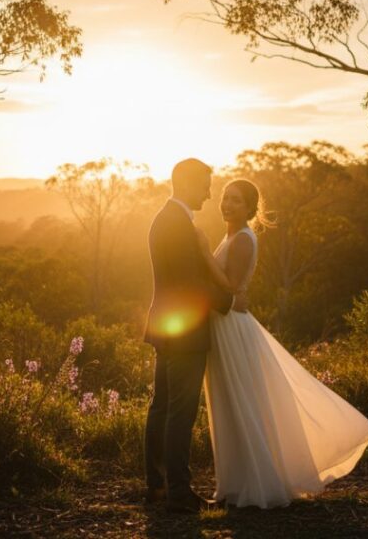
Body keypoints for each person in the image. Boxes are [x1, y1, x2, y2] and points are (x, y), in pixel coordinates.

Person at [194, 178, 368, 509]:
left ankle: (256, 485)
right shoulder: (232, 235)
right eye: (224, 197)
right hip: (224, 325)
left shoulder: (242, 240)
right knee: (230, 403)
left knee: (241, 404)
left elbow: (232, 287)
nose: (226, 204)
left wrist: (203, 254)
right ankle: (234, 486)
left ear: (250, 208)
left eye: (235, 200)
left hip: (232, 328)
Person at [143, 158, 235, 513]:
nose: (210, 194)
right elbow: (188, 283)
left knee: (162, 408)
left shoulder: (167, 219)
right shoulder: (176, 224)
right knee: (178, 412)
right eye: (205, 185)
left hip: (167, 326)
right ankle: (177, 492)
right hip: (183, 330)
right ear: (186, 183)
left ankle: (158, 486)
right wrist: (228, 300)